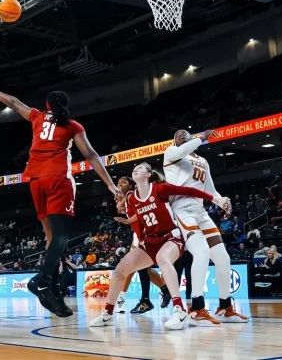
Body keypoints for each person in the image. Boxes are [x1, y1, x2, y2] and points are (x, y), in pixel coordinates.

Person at [0, 83, 121, 317]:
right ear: (66, 105)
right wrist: (110, 184)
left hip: (35, 181)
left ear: (47, 105)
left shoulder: (37, 116)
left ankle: (54, 296)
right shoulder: (72, 125)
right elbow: (91, 155)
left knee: (51, 239)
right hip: (57, 179)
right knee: (61, 236)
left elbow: (13, 101)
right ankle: (42, 281)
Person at [90, 163, 230, 330]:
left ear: (148, 174)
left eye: (140, 168)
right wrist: (126, 214)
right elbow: (137, 217)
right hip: (150, 241)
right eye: (134, 169)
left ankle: (179, 311)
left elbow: (189, 191)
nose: (136, 169)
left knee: (162, 259)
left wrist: (215, 199)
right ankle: (108, 314)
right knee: (120, 270)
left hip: (171, 238)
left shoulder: (160, 188)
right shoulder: (132, 198)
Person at [163, 129, 246, 325]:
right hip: (181, 209)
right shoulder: (171, 152)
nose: (182, 135)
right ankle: (196, 309)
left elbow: (210, 189)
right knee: (201, 252)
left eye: (186, 134)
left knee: (223, 258)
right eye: (178, 135)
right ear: (175, 141)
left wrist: (221, 201)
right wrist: (201, 138)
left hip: (200, 211)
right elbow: (183, 149)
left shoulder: (202, 160)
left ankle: (225, 307)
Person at [112, 176, 171, 315]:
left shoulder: (133, 195)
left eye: (124, 182)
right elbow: (121, 208)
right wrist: (121, 204)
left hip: (145, 233)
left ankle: (140, 300)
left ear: (131, 185)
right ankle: (164, 291)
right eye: (118, 183)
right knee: (143, 269)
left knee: (136, 267)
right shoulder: (127, 197)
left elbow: (141, 211)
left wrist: (128, 220)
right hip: (138, 235)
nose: (120, 184)